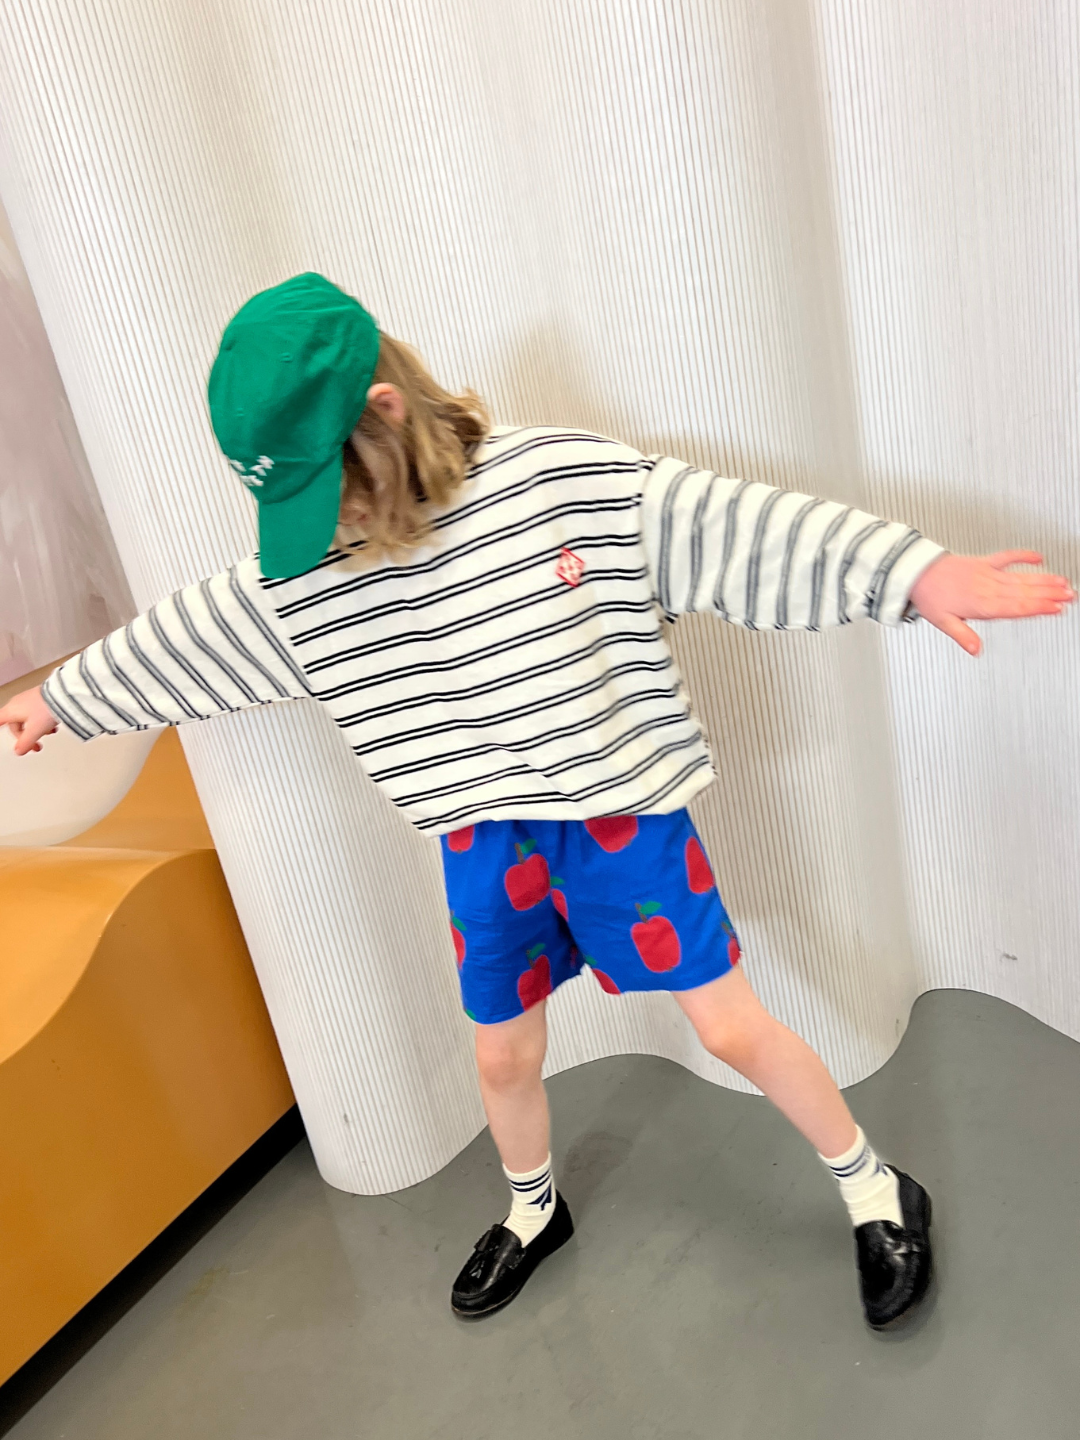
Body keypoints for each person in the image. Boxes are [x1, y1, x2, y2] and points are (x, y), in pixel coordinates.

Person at [2, 273, 1073, 1330]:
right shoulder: (311, 569)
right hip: (482, 836)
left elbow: (740, 525)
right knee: (502, 1051)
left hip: (620, 821)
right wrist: (65, 695)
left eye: (327, 491)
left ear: (385, 414)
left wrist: (911, 572)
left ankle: (875, 1188)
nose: (323, 526)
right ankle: (532, 1208)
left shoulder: (560, 484)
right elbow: (196, 629)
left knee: (731, 1027)